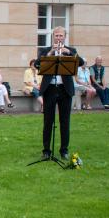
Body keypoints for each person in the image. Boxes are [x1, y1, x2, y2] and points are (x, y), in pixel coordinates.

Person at [35, 26, 84, 160]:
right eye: (56, 35)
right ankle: (46, 150)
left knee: (65, 121)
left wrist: (67, 52)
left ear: (65, 37)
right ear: (53, 37)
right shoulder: (45, 50)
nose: (58, 38)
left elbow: (81, 62)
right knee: (48, 121)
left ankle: (64, 150)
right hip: (49, 89)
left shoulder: (71, 51)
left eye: (61, 35)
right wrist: (50, 53)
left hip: (65, 89)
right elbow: (37, 64)